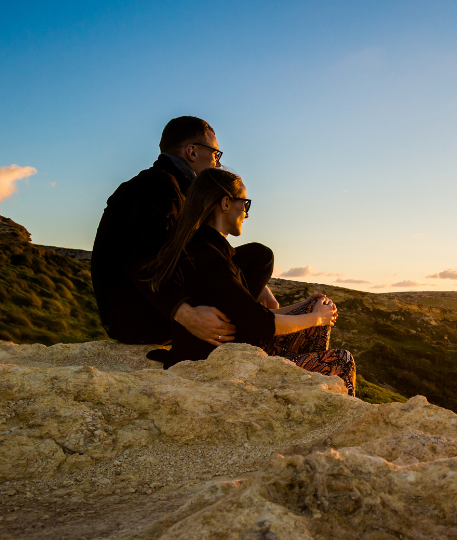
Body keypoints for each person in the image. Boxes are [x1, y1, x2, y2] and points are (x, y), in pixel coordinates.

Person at [144, 168, 357, 396]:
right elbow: (258, 323)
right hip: (215, 367)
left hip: (223, 351)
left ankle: (307, 393)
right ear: (226, 203)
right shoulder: (210, 257)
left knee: (316, 311)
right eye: (244, 204)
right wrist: (315, 318)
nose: (246, 213)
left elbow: (246, 315)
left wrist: (305, 309)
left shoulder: (206, 249)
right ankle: (308, 397)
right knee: (342, 360)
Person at [91, 116, 279, 345]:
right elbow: (141, 260)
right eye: (215, 154)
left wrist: (254, 285)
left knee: (255, 258)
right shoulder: (161, 186)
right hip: (137, 319)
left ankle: (247, 328)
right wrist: (187, 315)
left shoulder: (174, 188)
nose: (218, 163)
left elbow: (202, 251)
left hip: (137, 314)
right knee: (260, 256)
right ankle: (242, 333)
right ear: (192, 152)